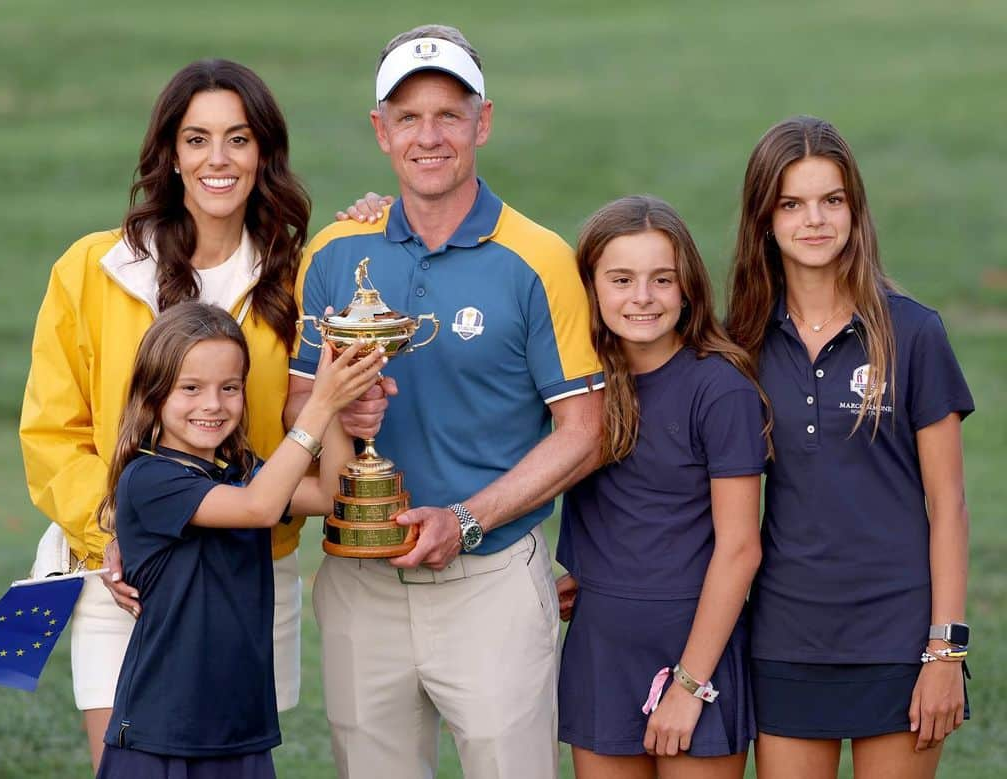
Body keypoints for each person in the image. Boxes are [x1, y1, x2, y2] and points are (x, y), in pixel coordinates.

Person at [289, 24, 605, 779]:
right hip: (360, 577)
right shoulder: (335, 252)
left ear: (482, 122)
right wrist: (340, 412)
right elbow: (297, 399)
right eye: (407, 116)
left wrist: (465, 521)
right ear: (380, 131)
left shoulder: (540, 259)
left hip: (490, 579)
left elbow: (583, 431)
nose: (428, 136)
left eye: (449, 114)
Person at [19, 59, 311, 772]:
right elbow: (53, 433)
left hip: (247, 582)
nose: (218, 159)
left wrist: (371, 220)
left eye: (239, 140)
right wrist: (114, 530)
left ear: (264, 154)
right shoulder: (93, 269)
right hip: (125, 586)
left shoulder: (299, 278)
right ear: (170, 154)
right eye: (197, 138)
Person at [726, 115, 973, 779]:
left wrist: (945, 651)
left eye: (831, 200)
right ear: (764, 218)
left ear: (855, 211)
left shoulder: (914, 332)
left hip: (900, 637)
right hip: (786, 637)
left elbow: (947, 504)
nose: (815, 220)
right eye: (792, 203)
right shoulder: (739, 345)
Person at [94, 302, 385, 778]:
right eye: (191, 388)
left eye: (229, 388)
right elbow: (259, 509)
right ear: (154, 395)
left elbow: (334, 494)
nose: (213, 404)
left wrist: (333, 405)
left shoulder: (240, 470)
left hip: (238, 724)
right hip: (162, 729)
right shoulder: (149, 479)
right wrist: (319, 407)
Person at [555, 196, 765, 779]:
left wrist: (689, 685)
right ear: (591, 288)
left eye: (661, 279)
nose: (641, 297)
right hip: (601, 646)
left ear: (687, 287)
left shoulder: (719, 390)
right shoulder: (581, 384)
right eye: (620, 280)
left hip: (695, 649)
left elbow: (740, 547)